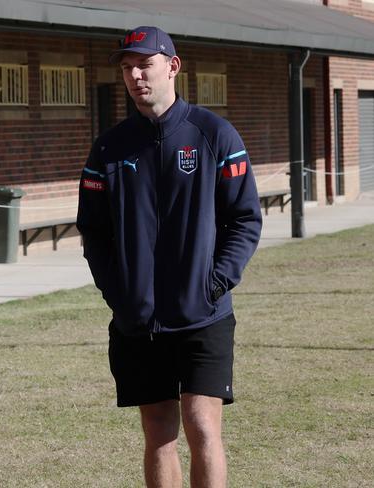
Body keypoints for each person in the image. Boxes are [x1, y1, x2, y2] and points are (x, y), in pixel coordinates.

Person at [77, 26, 262, 488]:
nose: (135, 75)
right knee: (159, 435)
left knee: (202, 427)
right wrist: (118, 292)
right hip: (138, 321)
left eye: (145, 64)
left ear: (173, 67)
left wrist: (213, 283)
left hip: (203, 315)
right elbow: (93, 230)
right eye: (126, 67)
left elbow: (245, 220)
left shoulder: (215, 134)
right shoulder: (109, 148)